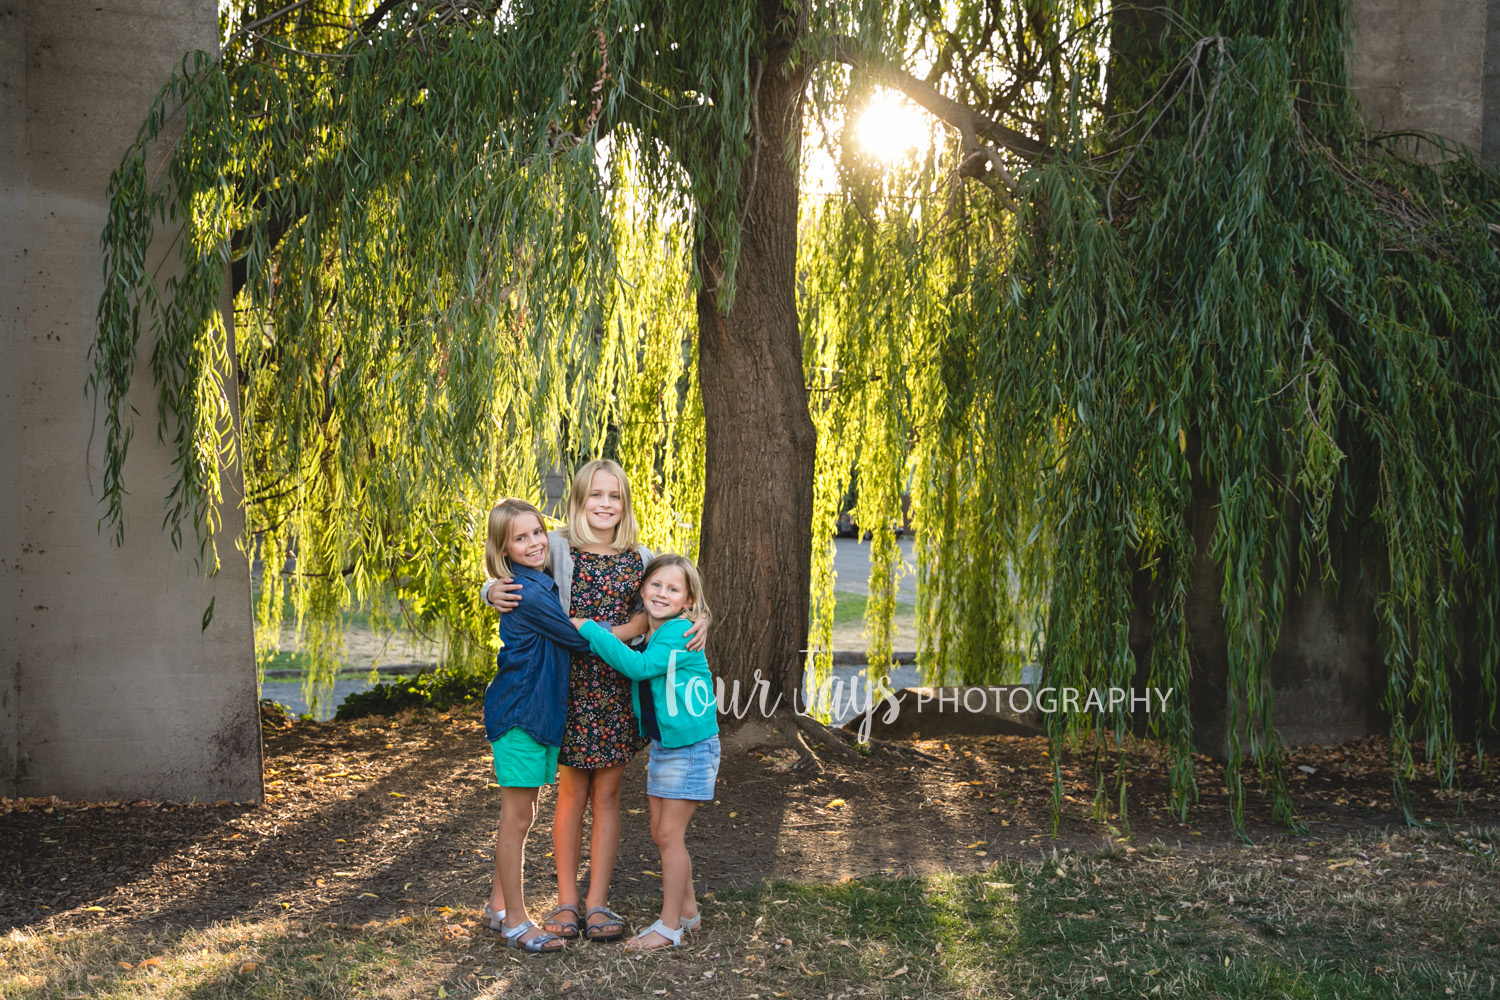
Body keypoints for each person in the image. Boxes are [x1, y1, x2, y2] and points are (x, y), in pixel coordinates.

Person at [481, 460, 707, 942]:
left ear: (625, 503)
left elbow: (673, 594)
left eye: (615, 496)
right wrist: (488, 589)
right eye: (594, 496)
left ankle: (598, 901)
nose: (605, 505)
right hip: (566, 688)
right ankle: (566, 902)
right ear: (578, 501)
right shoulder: (557, 546)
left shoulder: (639, 556)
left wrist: (702, 618)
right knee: (569, 795)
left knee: (607, 797)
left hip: (616, 689)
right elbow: (512, 570)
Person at [572, 553, 719, 951]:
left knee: (669, 835)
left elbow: (637, 669)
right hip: (668, 746)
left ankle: (669, 926)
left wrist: (591, 629)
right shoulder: (659, 630)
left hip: (690, 748)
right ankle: (688, 913)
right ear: (642, 587)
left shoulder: (675, 633)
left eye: (673, 589)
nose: (662, 593)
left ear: (688, 601)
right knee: (662, 833)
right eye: (656, 585)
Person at [477, 498, 594, 954]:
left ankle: (496, 906)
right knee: (517, 819)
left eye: (537, 532)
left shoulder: (536, 583)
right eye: (520, 538)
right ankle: (517, 922)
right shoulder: (525, 592)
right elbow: (575, 639)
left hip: (536, 715)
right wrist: (638, 629)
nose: (533, 543)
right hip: (520, 714)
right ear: (504, 549)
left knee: (522, 815)